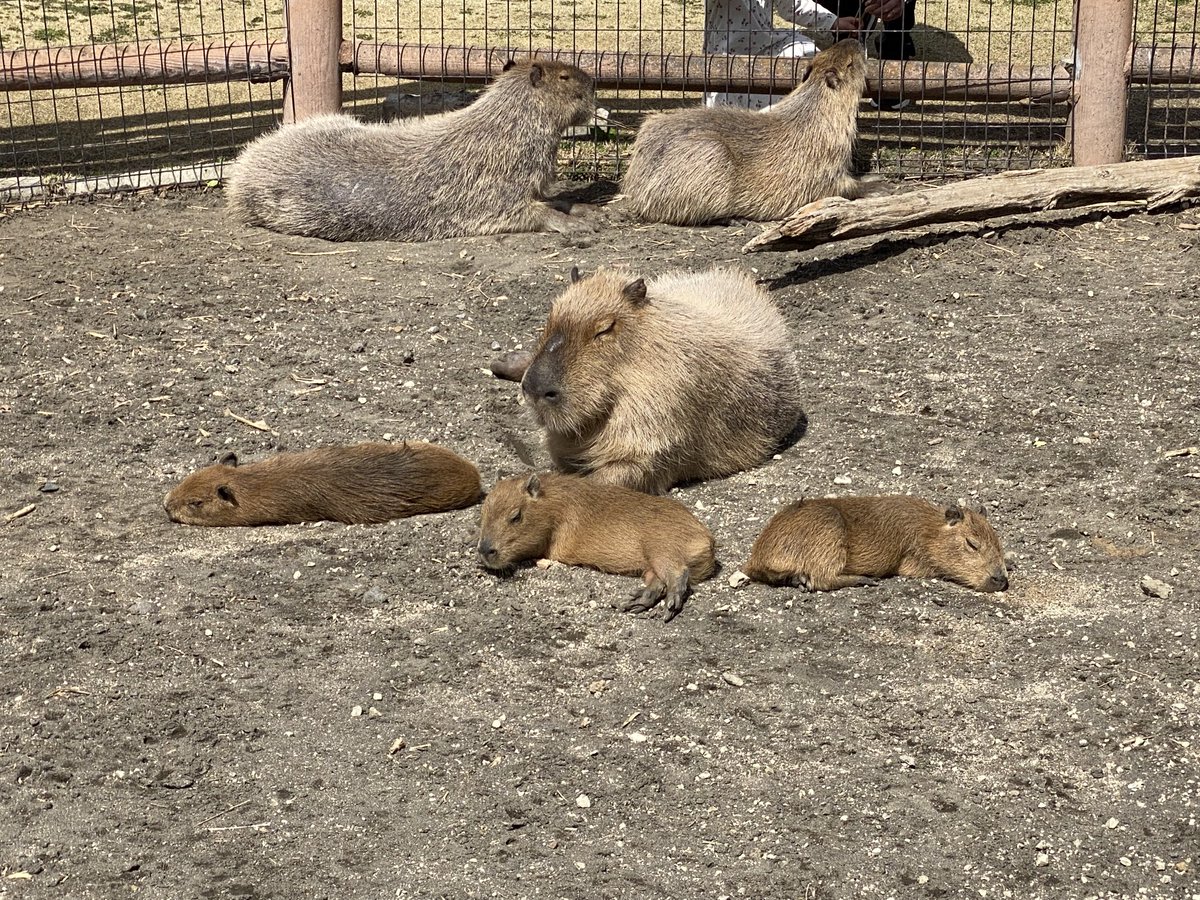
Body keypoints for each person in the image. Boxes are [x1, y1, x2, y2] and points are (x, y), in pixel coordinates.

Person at [703, 0, 917, 110]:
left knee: (806, 53)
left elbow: (791, 5)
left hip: (767, 43)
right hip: (726, 55)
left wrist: (833, 22)